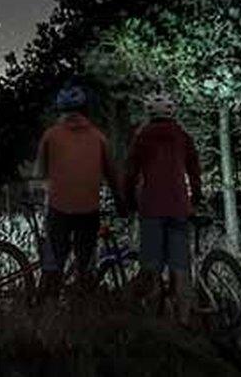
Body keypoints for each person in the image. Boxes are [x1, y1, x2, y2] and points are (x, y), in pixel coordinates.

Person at [33, 84, 120, 301]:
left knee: (54, 263)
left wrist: (41, 189)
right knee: (85, 264)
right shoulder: (99, 137)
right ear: (85, 110)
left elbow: (39, 173)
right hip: (88, 210)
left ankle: (48, 311)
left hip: (58, 208)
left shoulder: (50, 136)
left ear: (60, 110)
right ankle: (81, 306)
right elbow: (112, 175)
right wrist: (121, 201)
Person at [125, 91, 203, 327]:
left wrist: (128, 201)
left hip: (151, 209)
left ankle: (154, 326)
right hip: (179, 207)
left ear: (149, 113)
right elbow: (195, 171)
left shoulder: (142, 137)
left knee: (151, 267)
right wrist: (195, 197)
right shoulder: (182, 136)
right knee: (180, 267)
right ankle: (184, 321)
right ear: (172, 112)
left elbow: (130, 174)